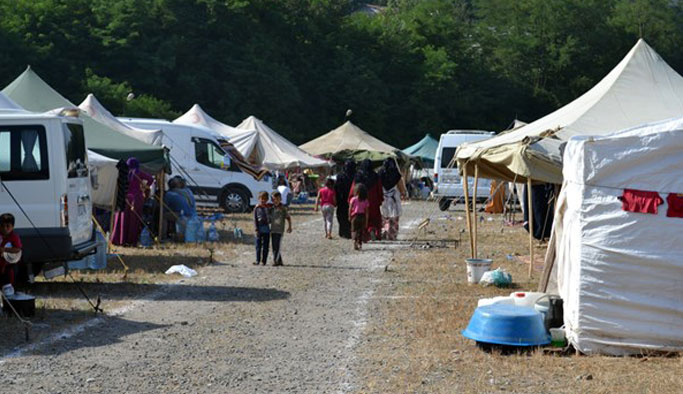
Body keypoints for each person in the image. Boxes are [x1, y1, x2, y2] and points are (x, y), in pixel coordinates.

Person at [111, 157, 155, 246]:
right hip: (136, 199)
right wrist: (144, 185)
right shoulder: (139, 173)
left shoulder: (123, 172)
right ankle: (130, 241)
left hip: (124, 198)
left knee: (121, 219)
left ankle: (119, 240)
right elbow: (150, 179)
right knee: (133, 221)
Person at [350, 159, 383, 241]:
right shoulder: (375, 176)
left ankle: (363, 236)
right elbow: (379, 190)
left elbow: (353, 189)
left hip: (360, 200)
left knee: (361, 219)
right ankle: (372, 229)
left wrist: (352, 200)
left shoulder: (358, 176)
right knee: (373, 218)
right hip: (373, 200)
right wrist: (380, 200)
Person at [378, 158, 407, 240]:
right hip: (394, 198)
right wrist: (403, 193)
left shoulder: (380, 174)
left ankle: (383, 233)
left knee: (384, 217)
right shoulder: (396, 174)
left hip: (383, 198)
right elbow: (401, 187)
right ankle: (392, 235)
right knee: (394, 218)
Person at [269, 191, 292, 266]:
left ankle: (275, 261)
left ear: (280, 199)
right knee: (274, 246)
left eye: (277, 199)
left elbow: (288, 217)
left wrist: (289, 227)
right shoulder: (271, 208)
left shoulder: (283, 208)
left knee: (278, 246)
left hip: (279, 230)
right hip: (272, 229)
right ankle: (279, 261)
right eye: (274, 199)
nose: (275, 200)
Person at [0, 213, 22, 291]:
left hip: (9, 266)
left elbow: (18, 249)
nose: (5, 228)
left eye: (8, 226)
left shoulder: (14, 237)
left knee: (8, 286)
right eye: (2, 226)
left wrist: (5, 250)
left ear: (12, 227)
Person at [334, 160, 356, 239]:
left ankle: (343, 231)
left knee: (342, 215)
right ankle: (350, 231)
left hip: (342, 198)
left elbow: (336, 188)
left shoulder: (340, 176)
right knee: (351, 214)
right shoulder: (356, 175)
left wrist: (336, 198)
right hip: (352, 198)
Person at [349, 184, 369, 250]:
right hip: (362, 216)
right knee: (360, 231)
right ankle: (360, 243)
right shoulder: (366, 201)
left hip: (355, 216)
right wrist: (366, 221)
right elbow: (367, 212)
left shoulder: (353, 199)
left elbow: (350, 208)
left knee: (354, 230)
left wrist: (349, 216)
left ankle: (354, 241)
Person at [253, 191, 271, 266]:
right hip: (259, 228)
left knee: (266, 246)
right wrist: (256, 228)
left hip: (266, 228)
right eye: (261, 199)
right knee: (258, 246)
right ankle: (257, 260)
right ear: (259, 199)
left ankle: (264, 261)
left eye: (265, 199)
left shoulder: (268, 208)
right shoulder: (257, 208)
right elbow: (255, 219)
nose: (263, 200)